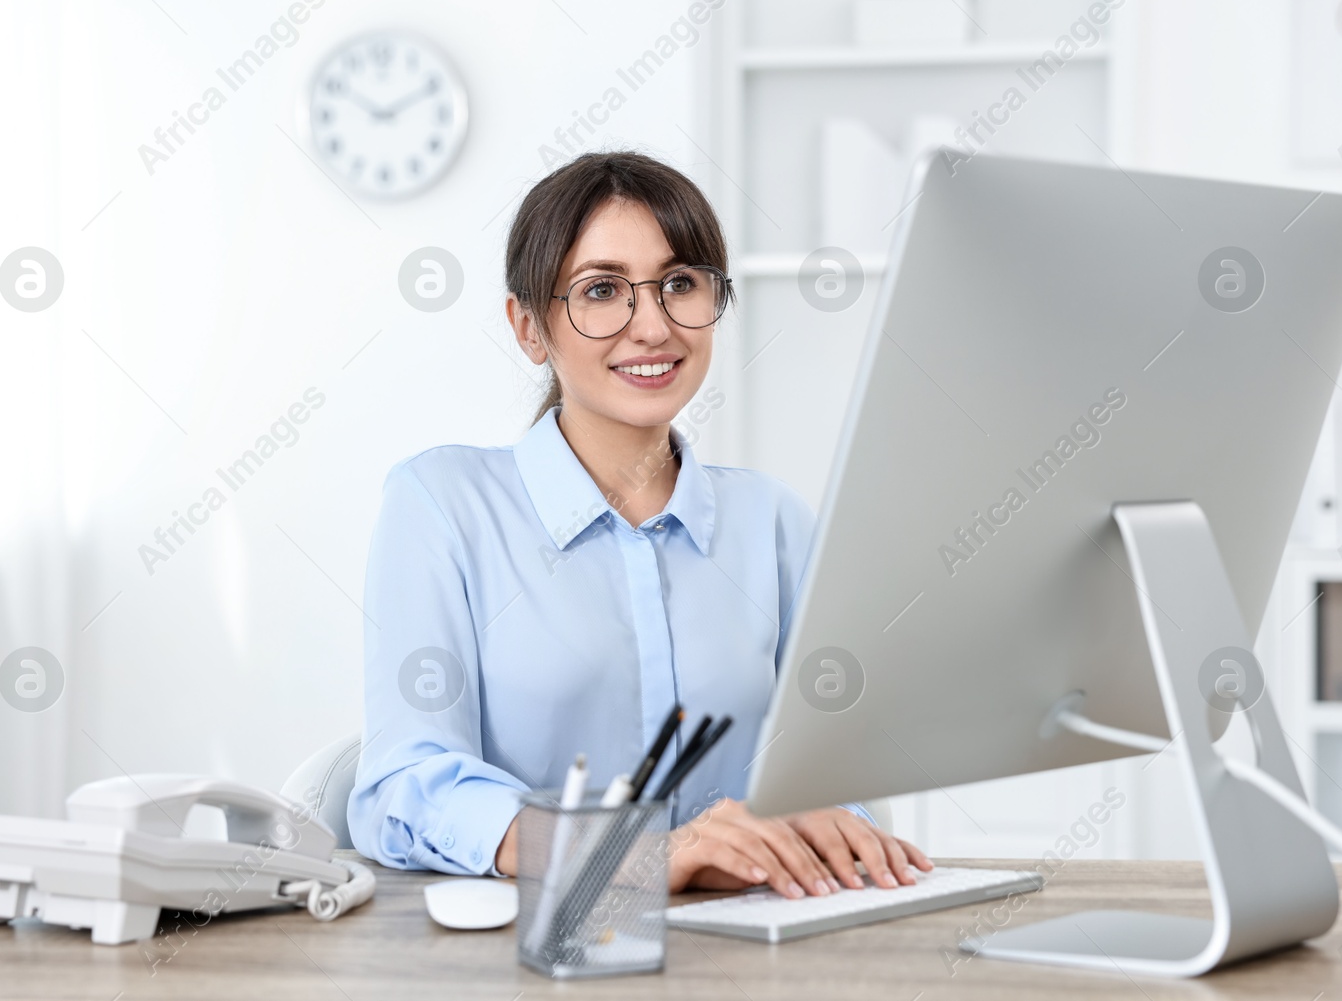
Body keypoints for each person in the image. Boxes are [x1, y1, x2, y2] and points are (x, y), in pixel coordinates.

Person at [346, 150, 932, 899]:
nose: (652, 325)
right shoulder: (443, 502)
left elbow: (833, 773)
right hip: (536, 954)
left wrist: (827, 822)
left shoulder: (773, 521)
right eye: (601, 291)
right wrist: (637, 854)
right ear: (529, 327)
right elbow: (402, 786)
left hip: (754, 945)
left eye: (680, 284)